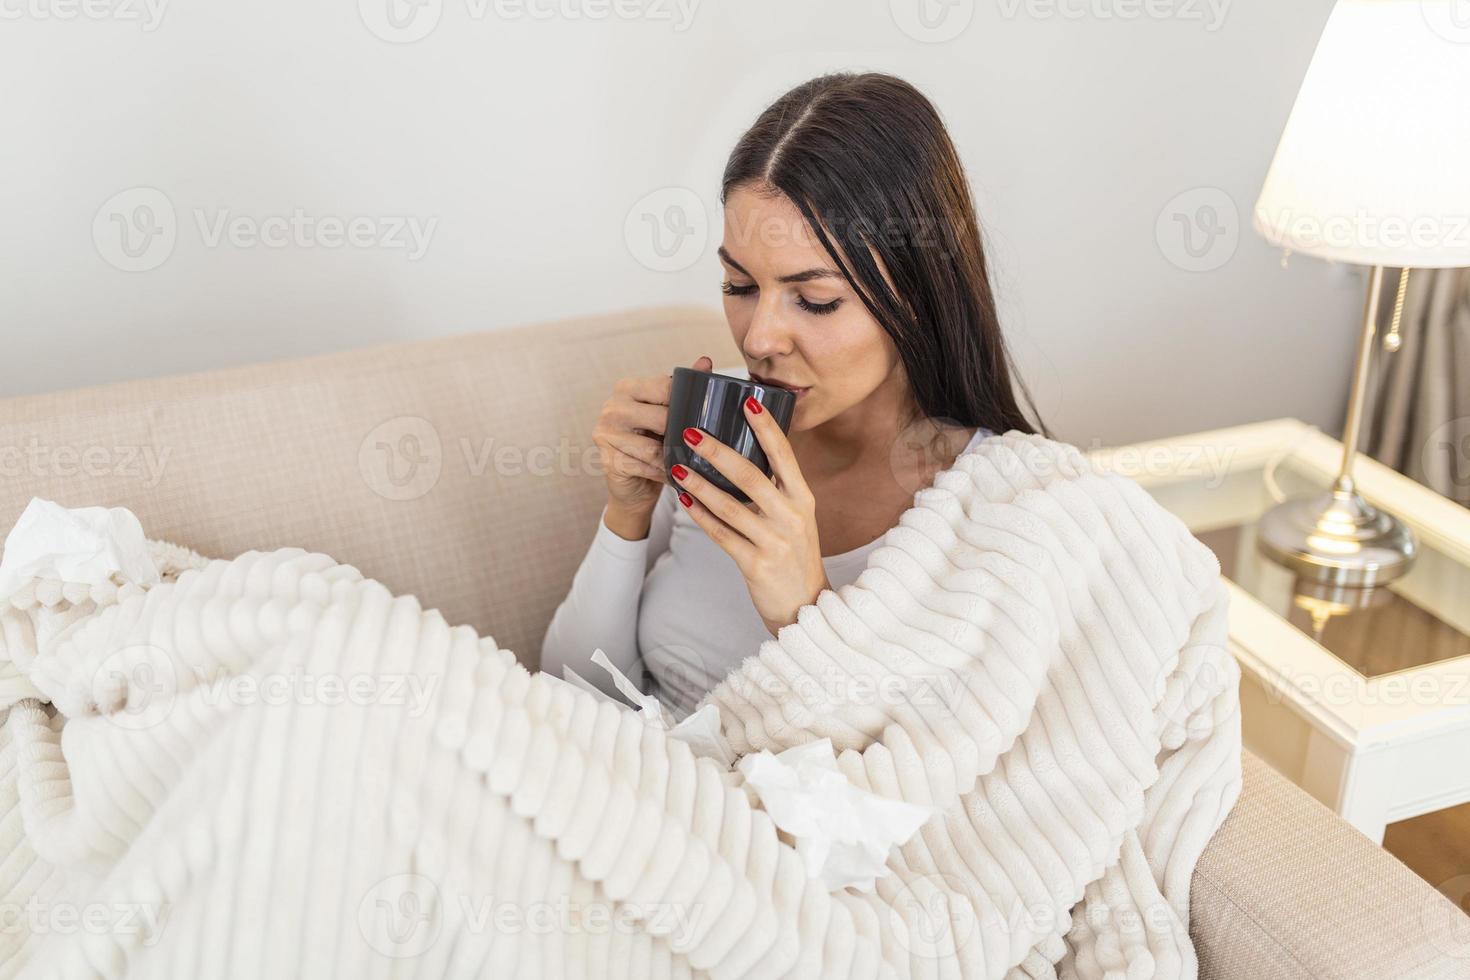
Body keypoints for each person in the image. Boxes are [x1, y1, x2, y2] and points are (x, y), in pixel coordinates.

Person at [540, 71, 1045, 718]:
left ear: (918, 299)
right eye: (739, 287)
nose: (759, 339)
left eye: (815, 300)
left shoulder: (999, 512)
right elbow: (565, 694)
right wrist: (626, 516)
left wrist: (803, 609)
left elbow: (935, 783)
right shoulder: (719, 431)